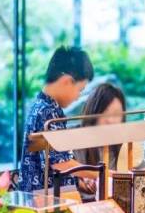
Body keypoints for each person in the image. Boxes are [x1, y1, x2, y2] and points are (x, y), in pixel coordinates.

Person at [19, 46, 100, 192]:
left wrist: (79, 182)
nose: (78, 97)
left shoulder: (44, 107)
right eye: (80, 90)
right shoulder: (46, 112)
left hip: (48, 195)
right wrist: (101, 174)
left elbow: (54, 163)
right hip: (43, 199)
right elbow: (60, 163)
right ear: (66, 81)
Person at [73, 82, 127, 198]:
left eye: (116, 114)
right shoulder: (74, 139)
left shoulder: (125, 143)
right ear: (93, 112)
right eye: (105, 113)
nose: (111, 120)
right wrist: (80, 181)